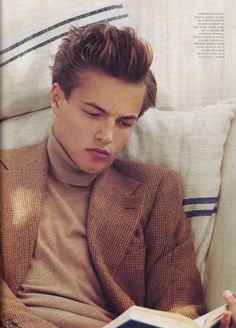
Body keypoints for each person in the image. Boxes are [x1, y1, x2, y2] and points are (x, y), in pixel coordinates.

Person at [0, 23, 235, 328]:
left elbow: (181, 307)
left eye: (125, 122)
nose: (107, 136)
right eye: (93, 114)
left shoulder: (156, 190)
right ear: (57, 99)